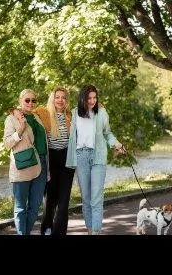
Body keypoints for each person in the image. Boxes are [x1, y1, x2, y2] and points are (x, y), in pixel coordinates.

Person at [65, 85, 126, 235]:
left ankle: (96, 232)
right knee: (86, 198)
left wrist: (116, 144)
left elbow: (108, 133)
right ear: (82, 98)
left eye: (94, 97)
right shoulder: (74, 113)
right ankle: (90, 230)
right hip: (81, 157)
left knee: (96, 198)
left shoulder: (102, 112)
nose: (92, 101)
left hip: (98, 156)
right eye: (89, 98)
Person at [3, 89, 48, 235]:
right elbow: (7, 143)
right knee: (21, 207)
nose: (30, 103)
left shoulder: (37, 117)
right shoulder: (12, 119)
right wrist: (20, 130)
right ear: (20, 100)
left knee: (35, 207)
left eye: (33, 100)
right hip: (23, 165)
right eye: (27, 100)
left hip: (41, 164)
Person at [33, 87, 73, 235]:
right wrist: (16, 112)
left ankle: (59, 233)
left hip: (67, 161)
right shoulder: (44, 113)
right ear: (53, 98)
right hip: (51, 161)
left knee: (63, 203)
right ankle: (46, 229)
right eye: (57, 97)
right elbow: (28, 111)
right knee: (50, 200)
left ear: (66, 101)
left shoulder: (69, 116)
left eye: (63, 97)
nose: (60, 100)